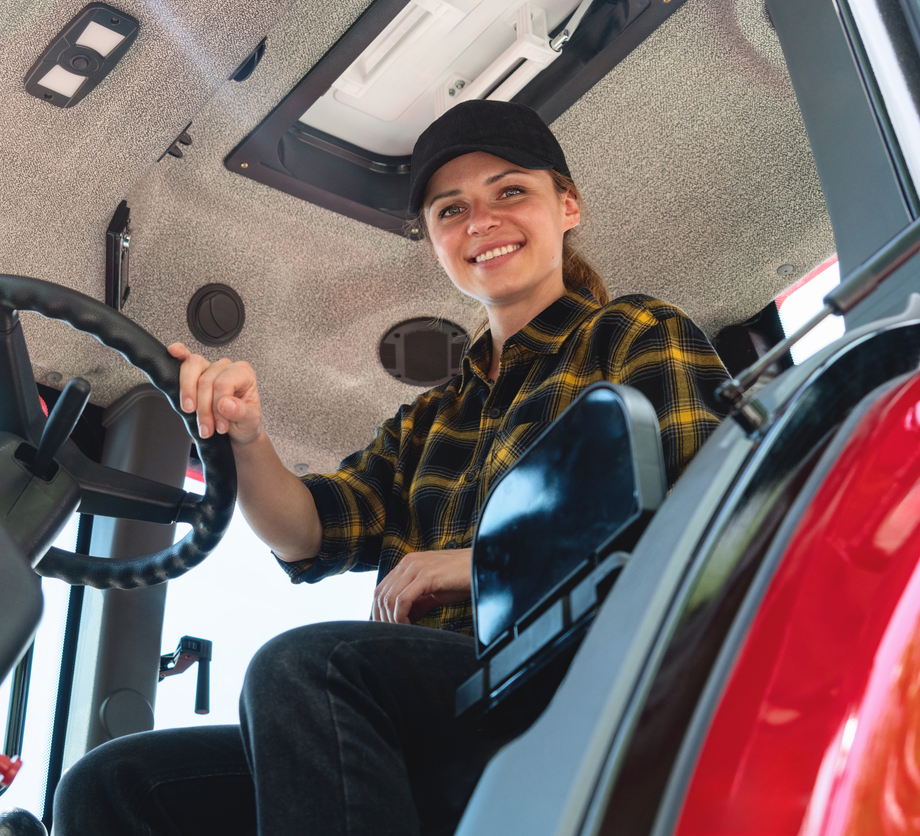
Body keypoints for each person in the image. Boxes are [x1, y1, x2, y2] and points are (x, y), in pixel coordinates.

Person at [54, 100, 729, 836]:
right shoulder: (430, 419)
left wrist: (476, 564)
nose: (481, 222)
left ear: (566, 207)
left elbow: (700, 518)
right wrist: (245, 436)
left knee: (310, 667)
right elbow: (306, 532)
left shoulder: (633, 332)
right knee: (116, 784)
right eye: (451, 210)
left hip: (577, 675)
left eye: (510, 192)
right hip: (442, 709)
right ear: (434, 241)